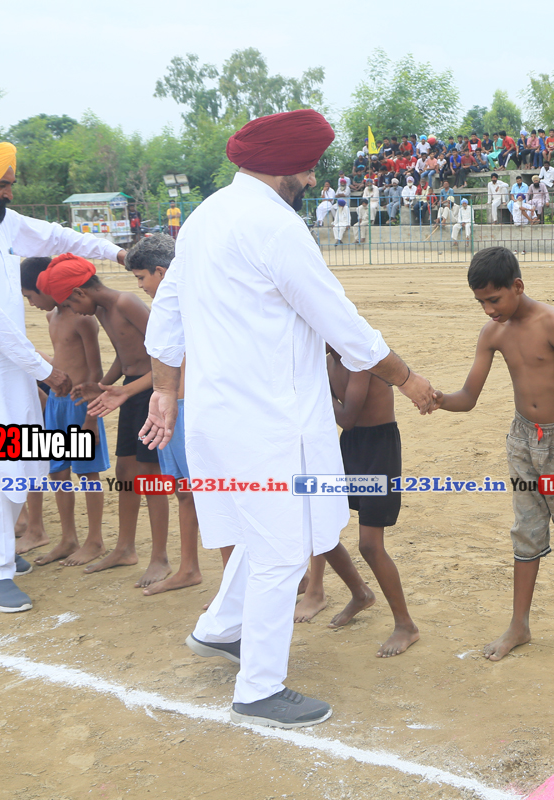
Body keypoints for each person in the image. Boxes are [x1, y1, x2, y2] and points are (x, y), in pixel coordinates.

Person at [141, 110, 438, 729]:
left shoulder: (205, 215)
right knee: (280, 551)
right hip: (265, 422)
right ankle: (259, 689)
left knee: (260, 535)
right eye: (309, 168)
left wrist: (165, 390)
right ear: (289, 168)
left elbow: (167, 310)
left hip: (218, 416)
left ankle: (219, 628)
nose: (312, 178)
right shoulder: (275, 225)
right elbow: (340, 321)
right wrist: (407, 378)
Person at [0, 140, 126, 613]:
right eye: (3, 184)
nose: (9, 193)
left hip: (10, 370)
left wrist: (116, 253)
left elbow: (55, 237)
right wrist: (45, 371)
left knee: (22, 464)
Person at [434, 247, 554, 661]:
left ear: (518, 286)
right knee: (526, 529)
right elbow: (468, 397)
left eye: (494, 299)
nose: (489, 310)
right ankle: (519, 625)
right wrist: (438, 400)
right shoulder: (493, 334)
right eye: (481, 302)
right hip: (523, 442)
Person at [37, 255, 172, 587]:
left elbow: (167, 354)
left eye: (71, 303)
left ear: (81, 293)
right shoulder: (100, 310)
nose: (73, 310)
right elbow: (126, 360)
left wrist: (126, 390)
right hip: (130, 390)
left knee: (151, 475)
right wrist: (102, 386)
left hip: (153, 392)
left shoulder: (126, 303)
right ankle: (124, 548)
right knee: (126, 471)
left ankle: (160, 557)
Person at [296, 347, 420, 657]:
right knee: (320, 530)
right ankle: (360, 593)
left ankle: (406, 625)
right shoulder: (325, 363)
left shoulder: (360, 360)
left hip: (378, 449)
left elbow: (348, 417)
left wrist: (313, 393)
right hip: (348, 447)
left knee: (370, 545)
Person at [120, 235, 208, 596]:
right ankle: (188, 567)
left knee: (212, 492)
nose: (141, 286)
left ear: (161, 271)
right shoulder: (170, 307)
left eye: (142, 278)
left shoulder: (193, 303)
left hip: (194, 409)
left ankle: (209, 573)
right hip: (176, 406)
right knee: (185, 492)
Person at [18, 257, 110, 566]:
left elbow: (95, 371)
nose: (31, 304)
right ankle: (68, 538)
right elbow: (61, 358)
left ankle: (95, 540)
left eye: (31, 296)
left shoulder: (83, 319)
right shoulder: (52, 317)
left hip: (80, 405)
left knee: (87, 472)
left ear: (46, 287)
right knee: (58, 471)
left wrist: (91, 419)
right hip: (57, 405)